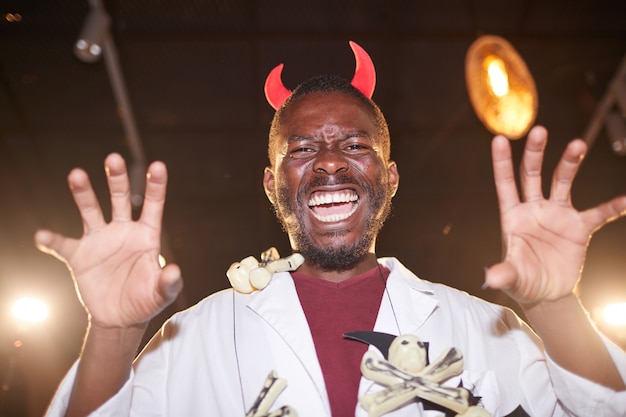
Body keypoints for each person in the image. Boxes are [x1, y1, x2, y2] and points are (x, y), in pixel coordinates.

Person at [40, 42, 626, 417]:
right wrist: (114, 333)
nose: (329, 162)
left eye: (354, 145)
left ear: (390, 178)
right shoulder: (194, 337)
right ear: (272, 185)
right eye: (302, 149)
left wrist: (556, 307)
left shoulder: (483, 328)